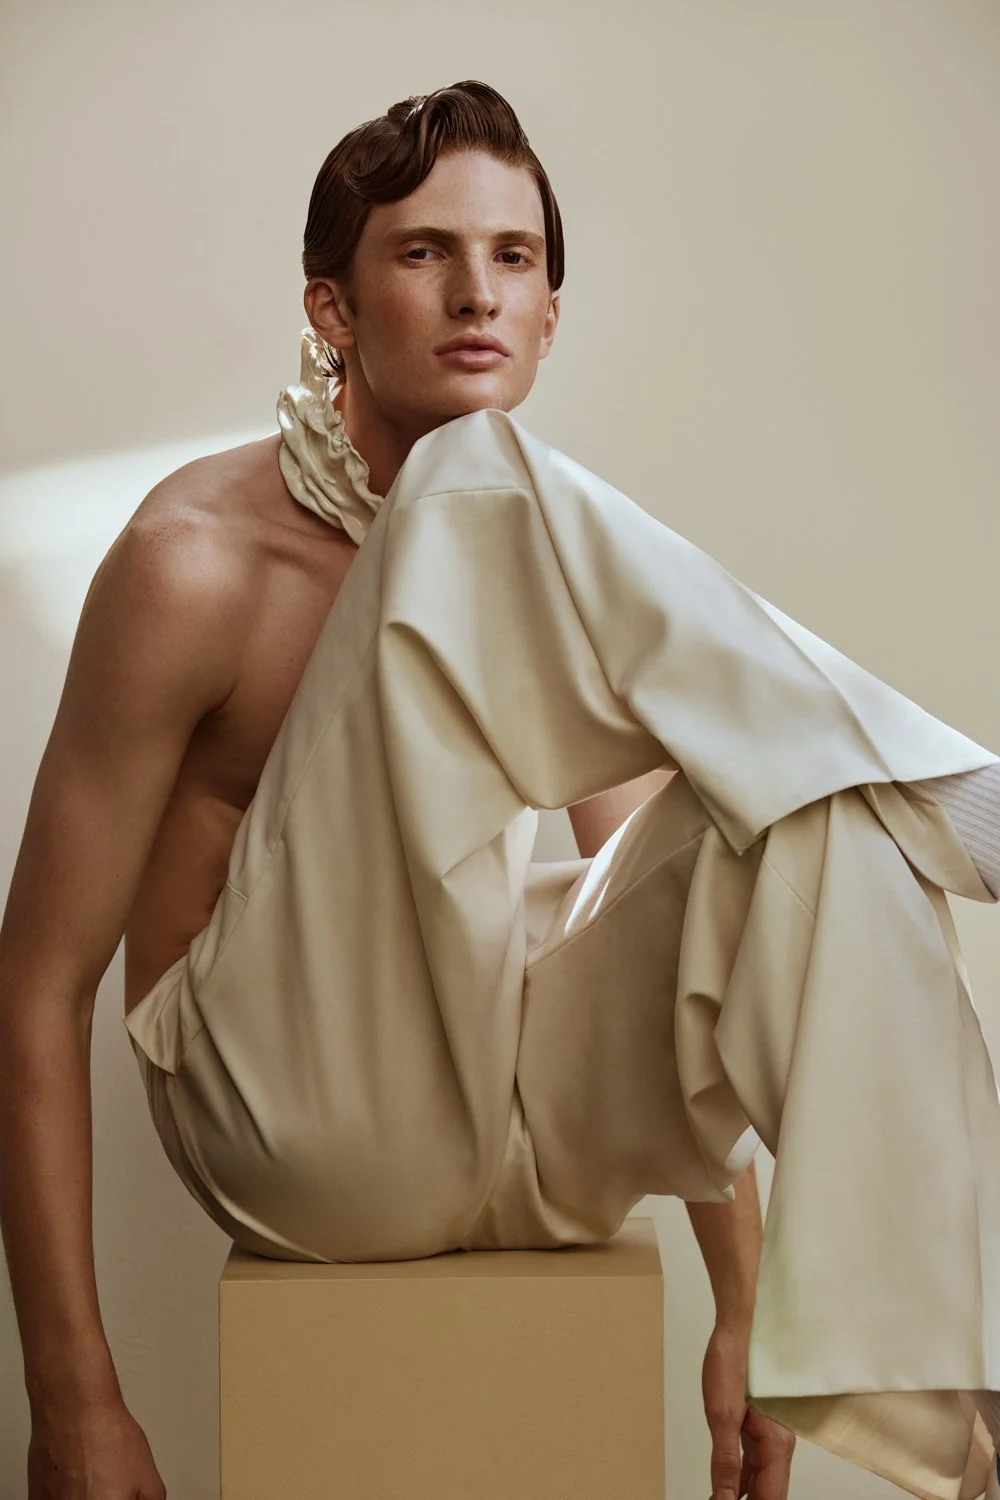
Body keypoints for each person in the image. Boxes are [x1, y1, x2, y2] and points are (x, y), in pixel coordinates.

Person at [0, 79, 997, 1500]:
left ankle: (949, 1436)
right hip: (296, 1127)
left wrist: (744, 1308)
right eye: (423, 253)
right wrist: (73, 1404)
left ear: (547, 310)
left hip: (518, 1116)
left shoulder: (553, 560)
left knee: (798, 820)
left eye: (514, 258)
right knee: (470, 494)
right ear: (331, 311)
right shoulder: (194, 563)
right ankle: (953, 788)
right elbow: (36, 986)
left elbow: (652, 902)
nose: (477, 291)